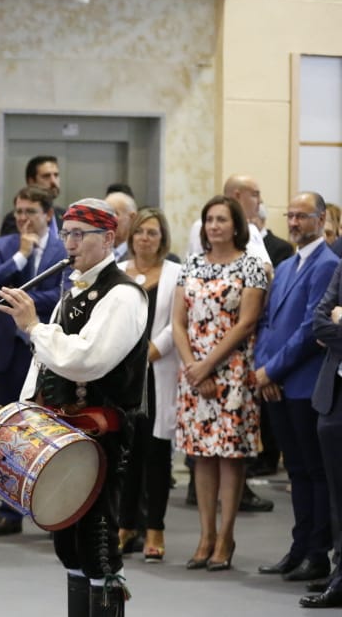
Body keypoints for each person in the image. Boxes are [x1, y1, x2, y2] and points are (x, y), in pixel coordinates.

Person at [0, 198, 149, 617]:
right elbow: (46, 365)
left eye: (82, 234)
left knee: (100, 542)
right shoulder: (70, 292)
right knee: (69, 539)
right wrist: (25, 413)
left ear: (110, 239)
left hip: (106, 437)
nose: (71, 244)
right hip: (67, 435)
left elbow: (87, 361)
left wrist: (31, 326)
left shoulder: (124, 296)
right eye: (67, 234)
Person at [173, 195, 268, 573]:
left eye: (222, 220)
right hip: (195, 374)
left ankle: (226, 537)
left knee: (230, 457)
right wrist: (194, 368)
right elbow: (178, 322)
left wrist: (209, 365)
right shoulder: (191, 265)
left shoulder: (252, 267)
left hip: (232, 373)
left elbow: (246, 323)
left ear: (236, 226)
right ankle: (205, 535)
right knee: (201, 457)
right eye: (209, 219)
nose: (214, 226)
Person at [253, 193, 337, 582]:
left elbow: (310, 330)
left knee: (315, 472)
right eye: (290, 215)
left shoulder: (328, 264)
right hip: (278, 382)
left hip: (304, 382)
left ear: (320, 219)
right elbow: (267, 323)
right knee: (296, 473)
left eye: (302, 216)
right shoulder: (285, 266)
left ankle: (317, 553)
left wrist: (273, 371)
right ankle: (299, 547)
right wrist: (262, 369)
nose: (294, 222)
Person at [0, 185, 67, 536]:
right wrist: (19, 258)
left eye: (30, 212)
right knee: (9, 431)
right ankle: (10, 511)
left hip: (46, 350)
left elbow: (62, 294)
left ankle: (53, 508)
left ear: (48, 214)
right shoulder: (3, 247)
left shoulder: (65, 247)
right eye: (19, 211)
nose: (23, 218)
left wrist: (21, 299)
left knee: (49, 429)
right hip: (7, 351)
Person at [115, 208, 182, 562]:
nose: (145, 238)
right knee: (126, 454)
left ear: (162, 238)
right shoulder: (118, 273)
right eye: (140, 232)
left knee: (156, 455)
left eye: (152, 233)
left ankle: (154, 527)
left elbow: (177, 321)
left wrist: (152, 351)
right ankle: (125, 526)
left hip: (159, 372)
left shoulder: (176, 273)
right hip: (124, 378)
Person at [300, 258, 342, 609]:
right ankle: (340, 575)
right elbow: (318, 322)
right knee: (336, 495)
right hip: (334, 397)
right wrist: (333, 319)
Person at [0, 155, 63, 236]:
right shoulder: (15, 220)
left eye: (56, 175)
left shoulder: (64, 215)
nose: (53, 181)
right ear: (31, 181)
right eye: (46, 176)